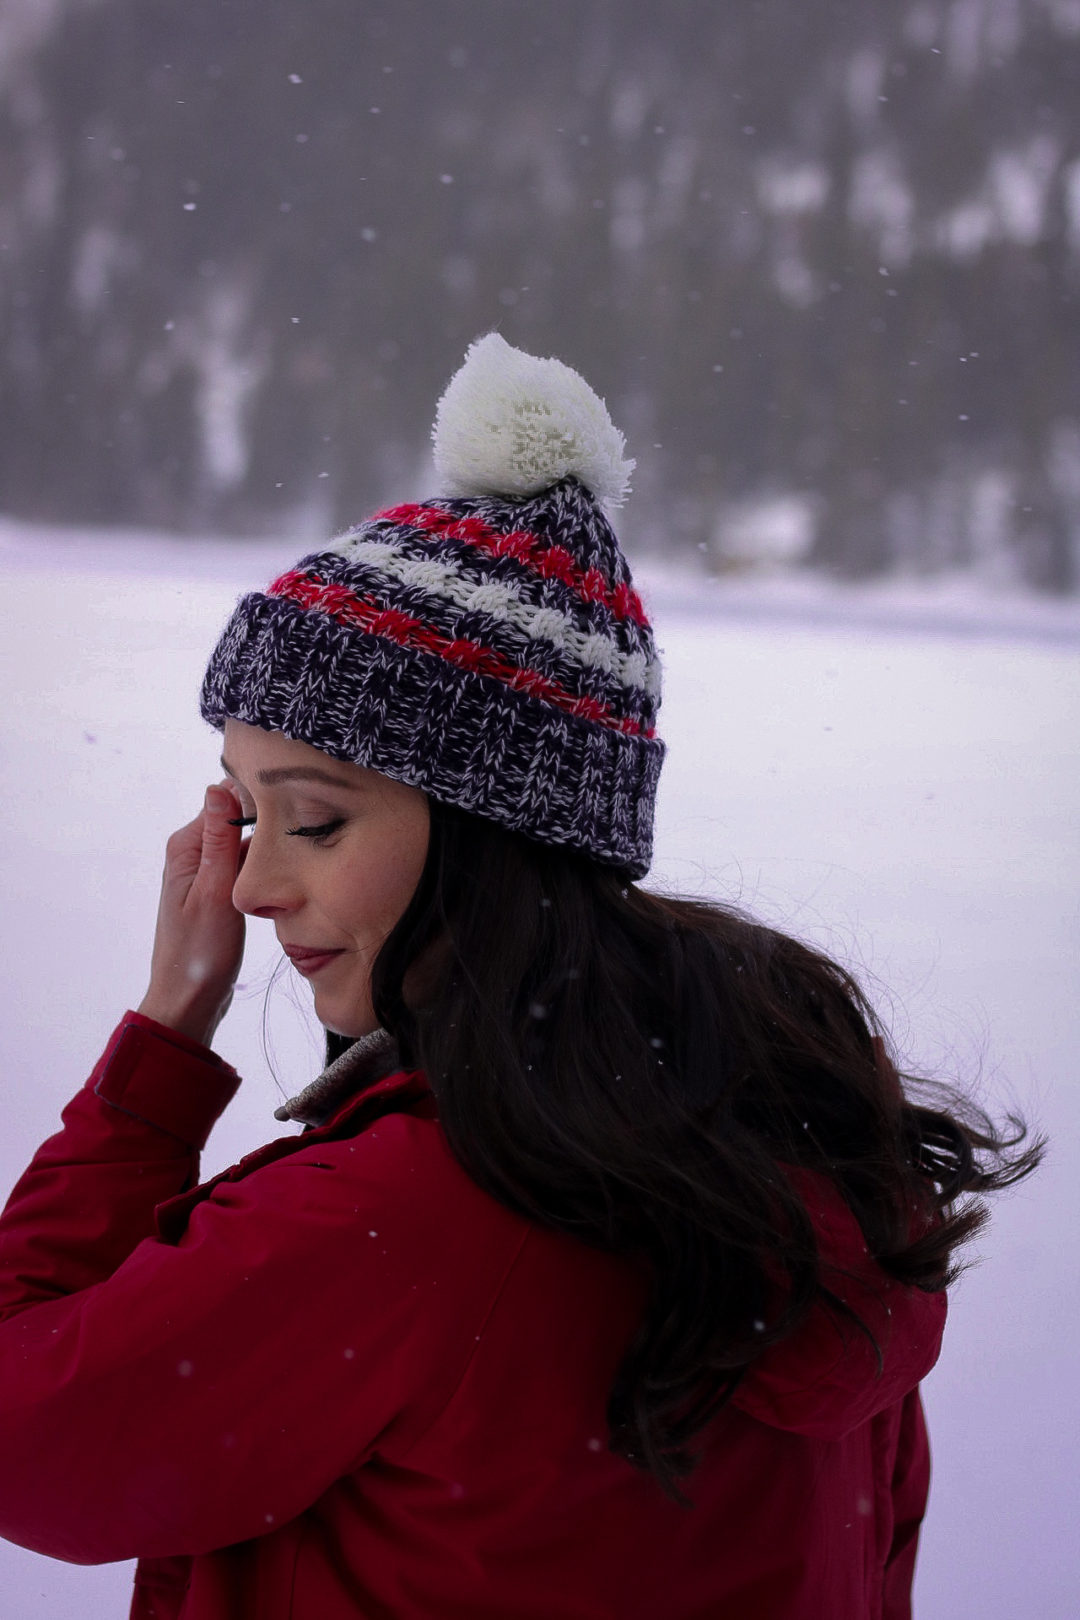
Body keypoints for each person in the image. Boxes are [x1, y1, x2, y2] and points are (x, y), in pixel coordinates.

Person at [0, 334, 1041, 1620]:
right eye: (241, 816)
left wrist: (160, 1053)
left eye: (314, 821)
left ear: (496, 833)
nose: (253, 886)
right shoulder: (800, 1143)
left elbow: (26, 1437)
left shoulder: (404, 1224)